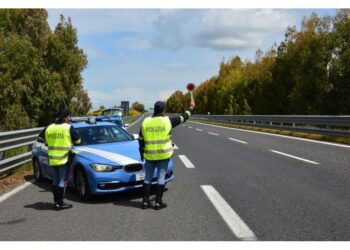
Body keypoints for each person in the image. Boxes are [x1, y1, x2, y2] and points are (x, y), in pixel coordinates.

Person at [138, 100, 195, 210]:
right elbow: (184, 117)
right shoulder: (167, 120)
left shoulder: (146, 121)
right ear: (163, 110)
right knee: (161, 176)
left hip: (149, 155)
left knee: (147, 177)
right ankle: (158, 202)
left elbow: (141, 139)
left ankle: (145, 202)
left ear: (154, 109)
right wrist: (191, 108)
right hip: (163, 155)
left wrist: (142, 152)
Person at [45, 108, 81, 210]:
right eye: (69, 116)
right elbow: (78, 141)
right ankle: (60, 203)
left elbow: (47, 143)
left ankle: (56, 202)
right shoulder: (68, 127)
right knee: (61, 181)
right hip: (63, 159)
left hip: (52, 159)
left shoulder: (49, 128)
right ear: (67, 116)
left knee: (55, 181)